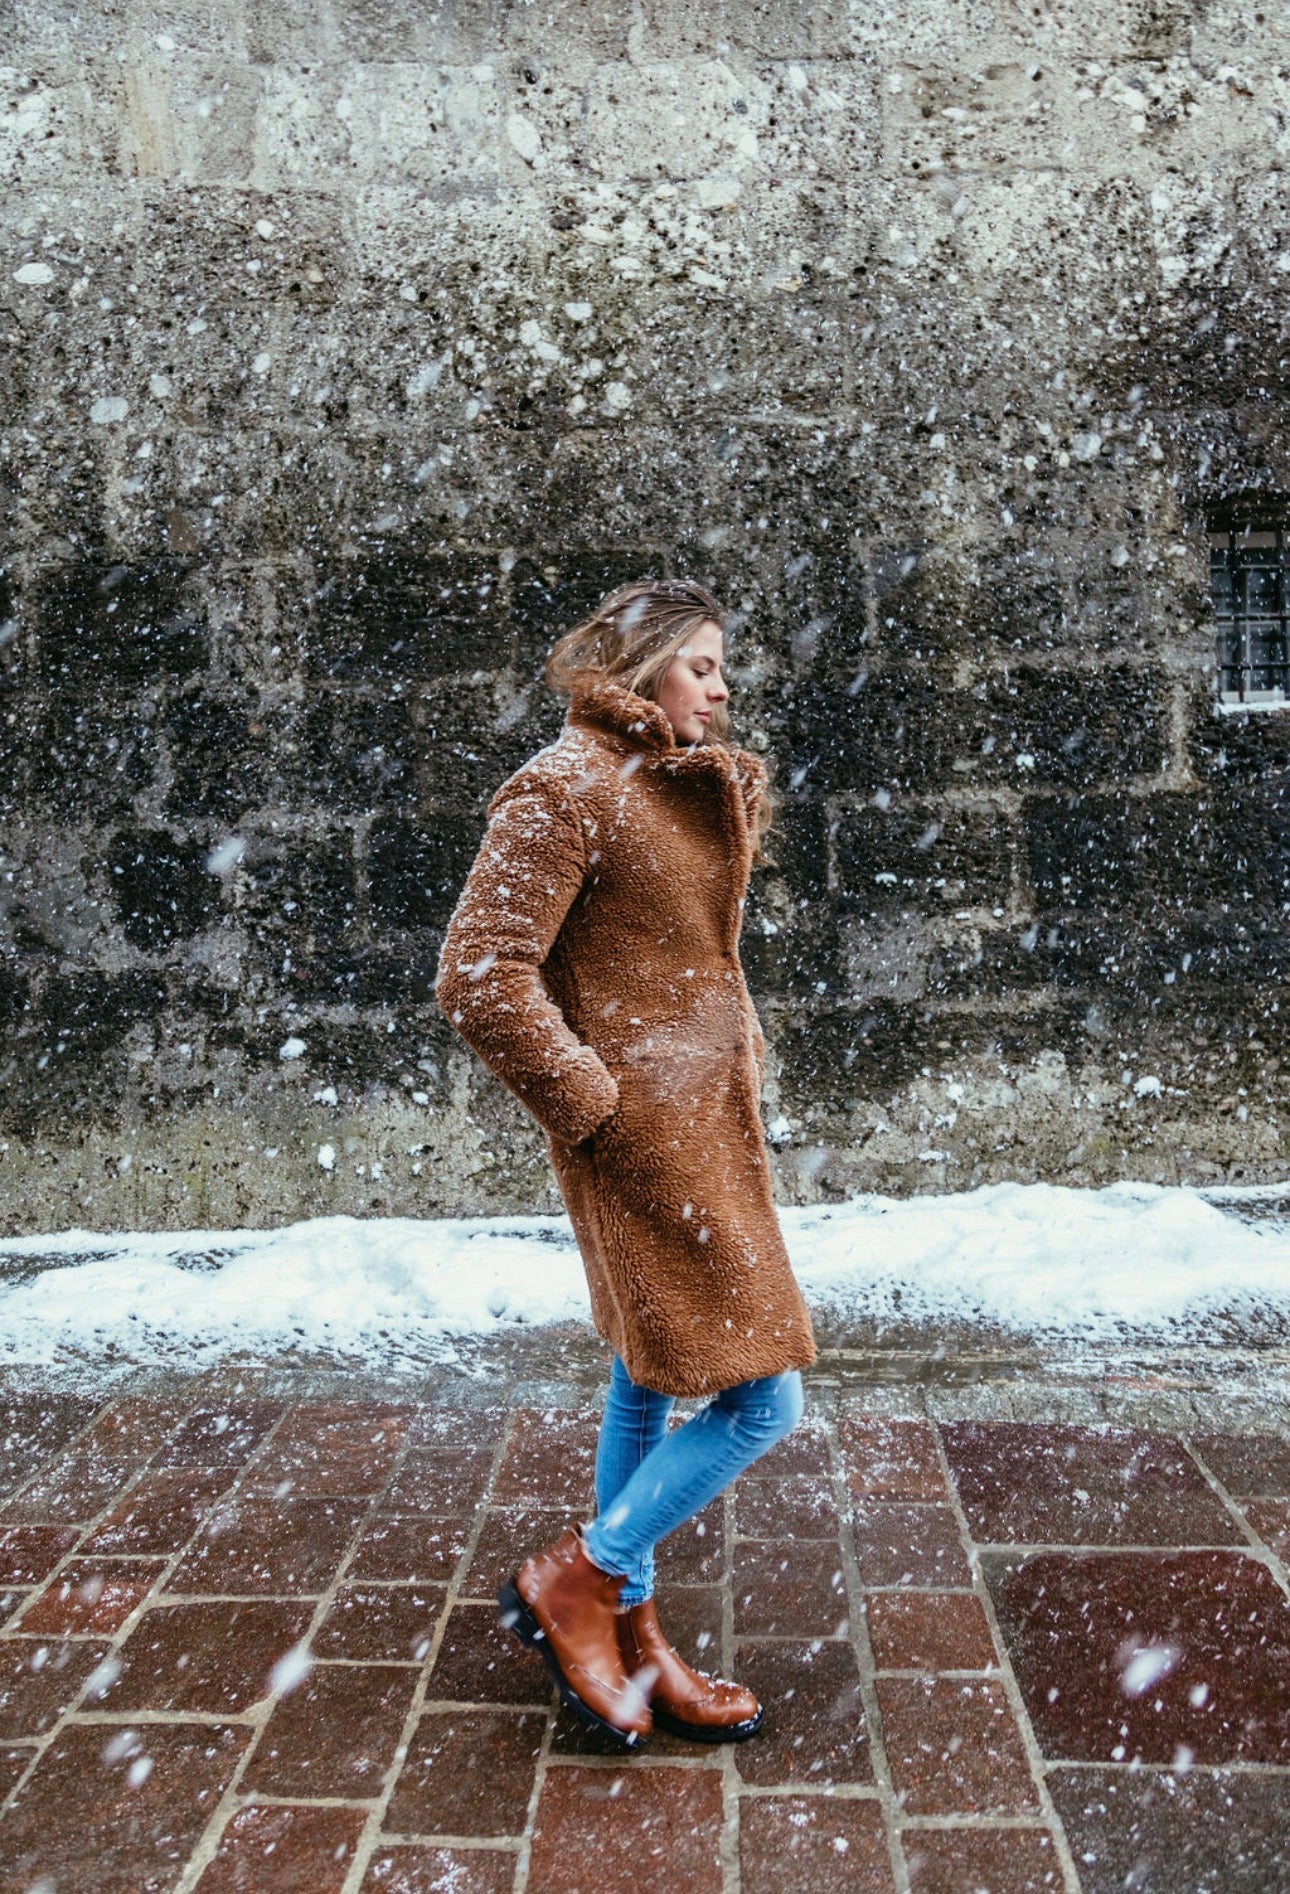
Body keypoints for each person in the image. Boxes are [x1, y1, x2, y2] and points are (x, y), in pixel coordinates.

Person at [435, 577, 817, 1750]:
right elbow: (480, 970)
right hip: (647, 1139)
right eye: (700, 663)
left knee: (647, 1374)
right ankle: (582, 1579)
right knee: (765, 1395)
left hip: (697, 1127)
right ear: (645, 665)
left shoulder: (644, 781)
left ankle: (636, 1639)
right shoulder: (567, 787)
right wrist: (598, 1107)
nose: (720, 683)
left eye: (720, 664)